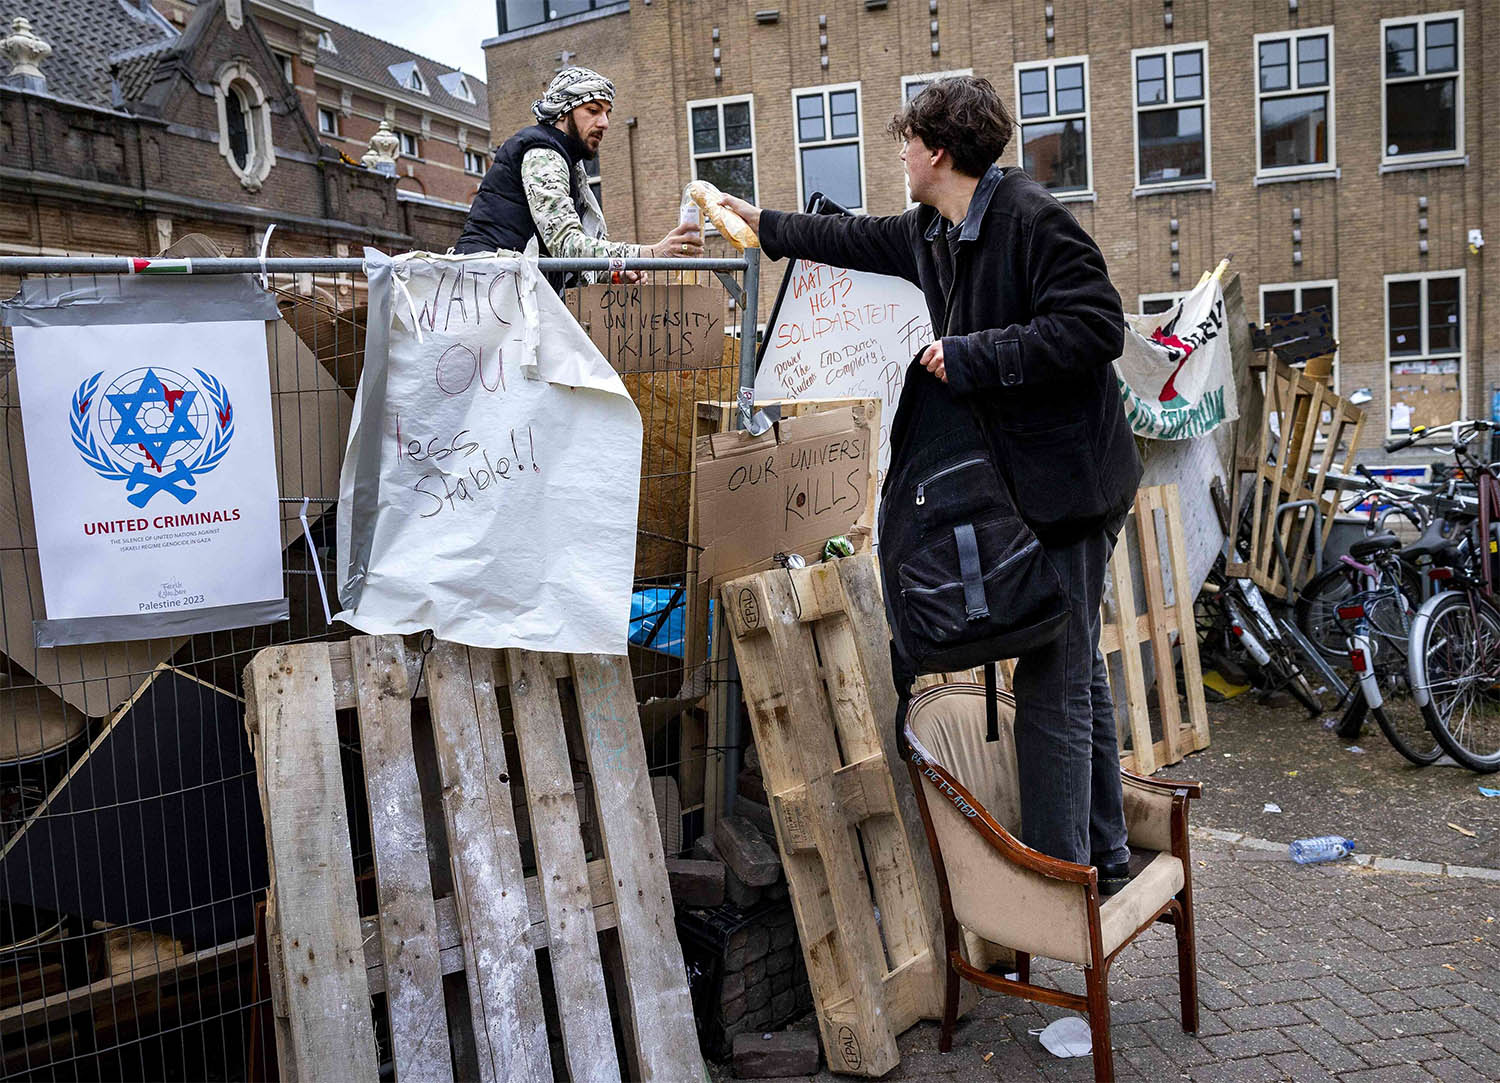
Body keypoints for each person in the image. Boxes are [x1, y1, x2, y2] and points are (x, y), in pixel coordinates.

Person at [722, 76, 1143, 893]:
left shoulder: (1028, 219)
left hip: (1073, 485)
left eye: (908, 142)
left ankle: (1059, 884)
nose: (902, 156)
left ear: (939, 151)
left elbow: (1097, 325)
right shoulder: (931, 230)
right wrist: (761, 224)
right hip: (1033, 484)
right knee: (1076, 659)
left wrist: (979, 353)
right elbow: (854, 239)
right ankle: (1105, 855)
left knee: (1054, 673)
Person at [455, 66, 702, 286]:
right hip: (489, 288)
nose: (604, 122)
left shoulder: (566, 159)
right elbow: (566, 245)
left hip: (504, 287)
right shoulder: (543, 155)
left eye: (607, 113)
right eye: (593, 110)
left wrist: (615, 273)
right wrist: (651, 253)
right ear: (563, 112)